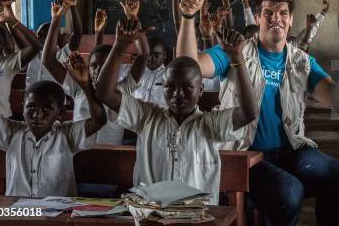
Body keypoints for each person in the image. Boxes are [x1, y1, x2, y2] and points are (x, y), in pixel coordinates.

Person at [177, 0, 339, 226]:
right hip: (243, 154)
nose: (275, 18)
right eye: (268, 13)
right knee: (289, 192)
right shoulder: (233, 52)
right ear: (257, 18)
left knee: (336, 175)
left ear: (291, 20)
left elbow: (338, 100)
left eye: (283, 13)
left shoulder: (302, 61)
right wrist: (187, 17)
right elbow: (187, 68)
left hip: (290, 150)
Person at [95, 20, 258, 204]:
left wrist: (237, 59)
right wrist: (120, 45)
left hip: (197, 217)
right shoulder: (146, 117)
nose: (177, 94)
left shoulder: (211, 123)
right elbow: (104, 93)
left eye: (187, 87)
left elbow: (249, 113)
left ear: (201, 90)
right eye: (169, 87)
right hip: (151, 214)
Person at [0, 45, 106, 197]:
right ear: (23, 108)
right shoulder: (12, 131)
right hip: (20, 213)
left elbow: (99, 120)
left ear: (60, 112)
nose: (37, 115)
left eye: (47, 109)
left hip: (59, 213)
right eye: (31, 108)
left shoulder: (67, 134)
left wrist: (85, 85)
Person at [42, 0, 147, 144]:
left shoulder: (123, 89)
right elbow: (48, 59)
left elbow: (143, 55)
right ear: (87, 67)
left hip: (111, 159)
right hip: (79, 156)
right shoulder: (78, 86)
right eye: (94, 66)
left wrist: (133, 18)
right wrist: (55, 20)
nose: (99, 70)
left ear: (116, 68)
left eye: (106, 66)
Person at [26, 0, 82, 87]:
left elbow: (77, 35)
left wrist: (73, 8)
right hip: (32, 98)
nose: (40, 39)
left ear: (54, 37)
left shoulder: (63, 54)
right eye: (39, 36)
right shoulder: (32, 53)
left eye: (45, 36)